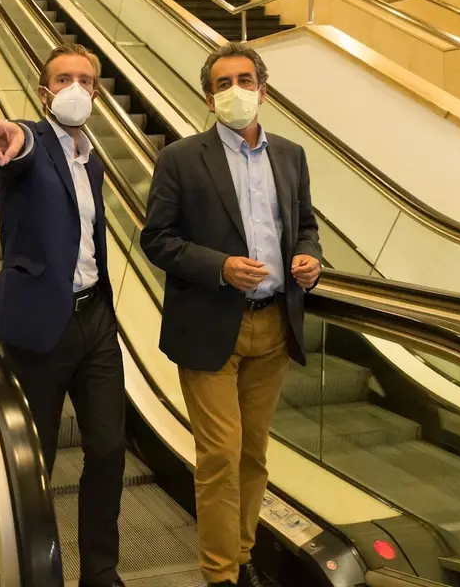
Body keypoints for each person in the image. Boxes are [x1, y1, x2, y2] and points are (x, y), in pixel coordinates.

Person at [139, 42, 322, 587]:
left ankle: (241, 557)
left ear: (263, 90)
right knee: (220, 454)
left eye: (246, 80)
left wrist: (309, 257)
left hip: (273, 323)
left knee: (253, 453)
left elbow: (306, 223)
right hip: (210, 325)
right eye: (224, 83)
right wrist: (220, 266)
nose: (236, 90)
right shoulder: (180, 158)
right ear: (208, 95)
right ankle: (220, 575)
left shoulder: (290, 155)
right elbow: (157, 240)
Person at [0, 44, 125, 587]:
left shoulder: (94, 159)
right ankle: (41, 574)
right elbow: (19, 148)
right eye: (64, 78)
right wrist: (13, 142)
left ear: (98, 93)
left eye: (86, 79)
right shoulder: (31, 144)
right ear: (45, 91)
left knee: (108, 448)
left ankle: (101, 571)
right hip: (41, 325)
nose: (76, 87)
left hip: (97, 319)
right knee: (34, 459)